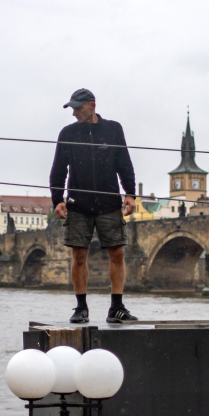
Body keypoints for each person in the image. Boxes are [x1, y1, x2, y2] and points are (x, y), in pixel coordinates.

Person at [50, 88, 138, 324]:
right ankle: (81, 307)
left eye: (78, 108)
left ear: (92, 105)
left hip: (109, 201)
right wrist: (57, 199)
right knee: (79, 255)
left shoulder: (113, 129)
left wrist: (130, 193)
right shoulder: (67, 133)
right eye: (72, 109)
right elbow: (58, 170)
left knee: (117, 253)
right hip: (78, 204)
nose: (74, 113)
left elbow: (124, 163)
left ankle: (116, 307)